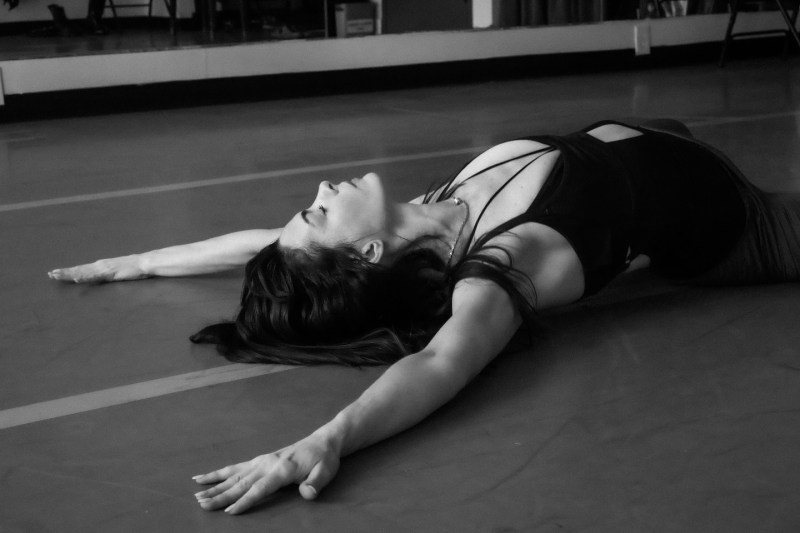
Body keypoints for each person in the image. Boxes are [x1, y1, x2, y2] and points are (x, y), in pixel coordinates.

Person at [48, 119, 800, 514]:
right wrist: (324, 439)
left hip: (665, 143)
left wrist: (138, 262)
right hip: (748, 227)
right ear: (368, 251)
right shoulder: (509, 262)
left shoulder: (428, 211)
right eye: (318, 210)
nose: (318, 188)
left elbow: (264, 242)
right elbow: (442, 360)